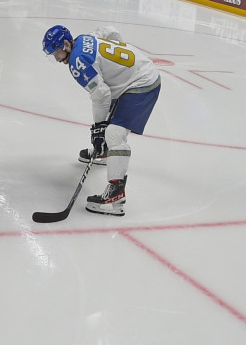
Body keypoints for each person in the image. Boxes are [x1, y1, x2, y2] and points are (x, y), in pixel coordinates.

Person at [41, 26, 161, 215]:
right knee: (108, 121)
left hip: (142, 83)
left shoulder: (77, 62)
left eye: (56, 52)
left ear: (65, 44)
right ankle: (105, 152)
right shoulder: (83, 38)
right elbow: (110, 31)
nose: (56, 57)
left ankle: (116, 195)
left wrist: (98, 128)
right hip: (137, 72)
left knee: (114, 133)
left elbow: (101, 95)